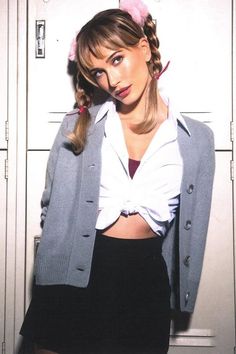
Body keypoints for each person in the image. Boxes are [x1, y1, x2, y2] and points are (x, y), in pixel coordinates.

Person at [20, 0, 215, 353]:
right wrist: (51, 286)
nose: (111, 80)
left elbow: (192, 227)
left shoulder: (197, 140)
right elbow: (52, 212)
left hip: (145, 281)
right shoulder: (76, 128)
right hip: (73, 277)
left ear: (142, 48)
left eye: (116, 59)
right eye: (97, 72)